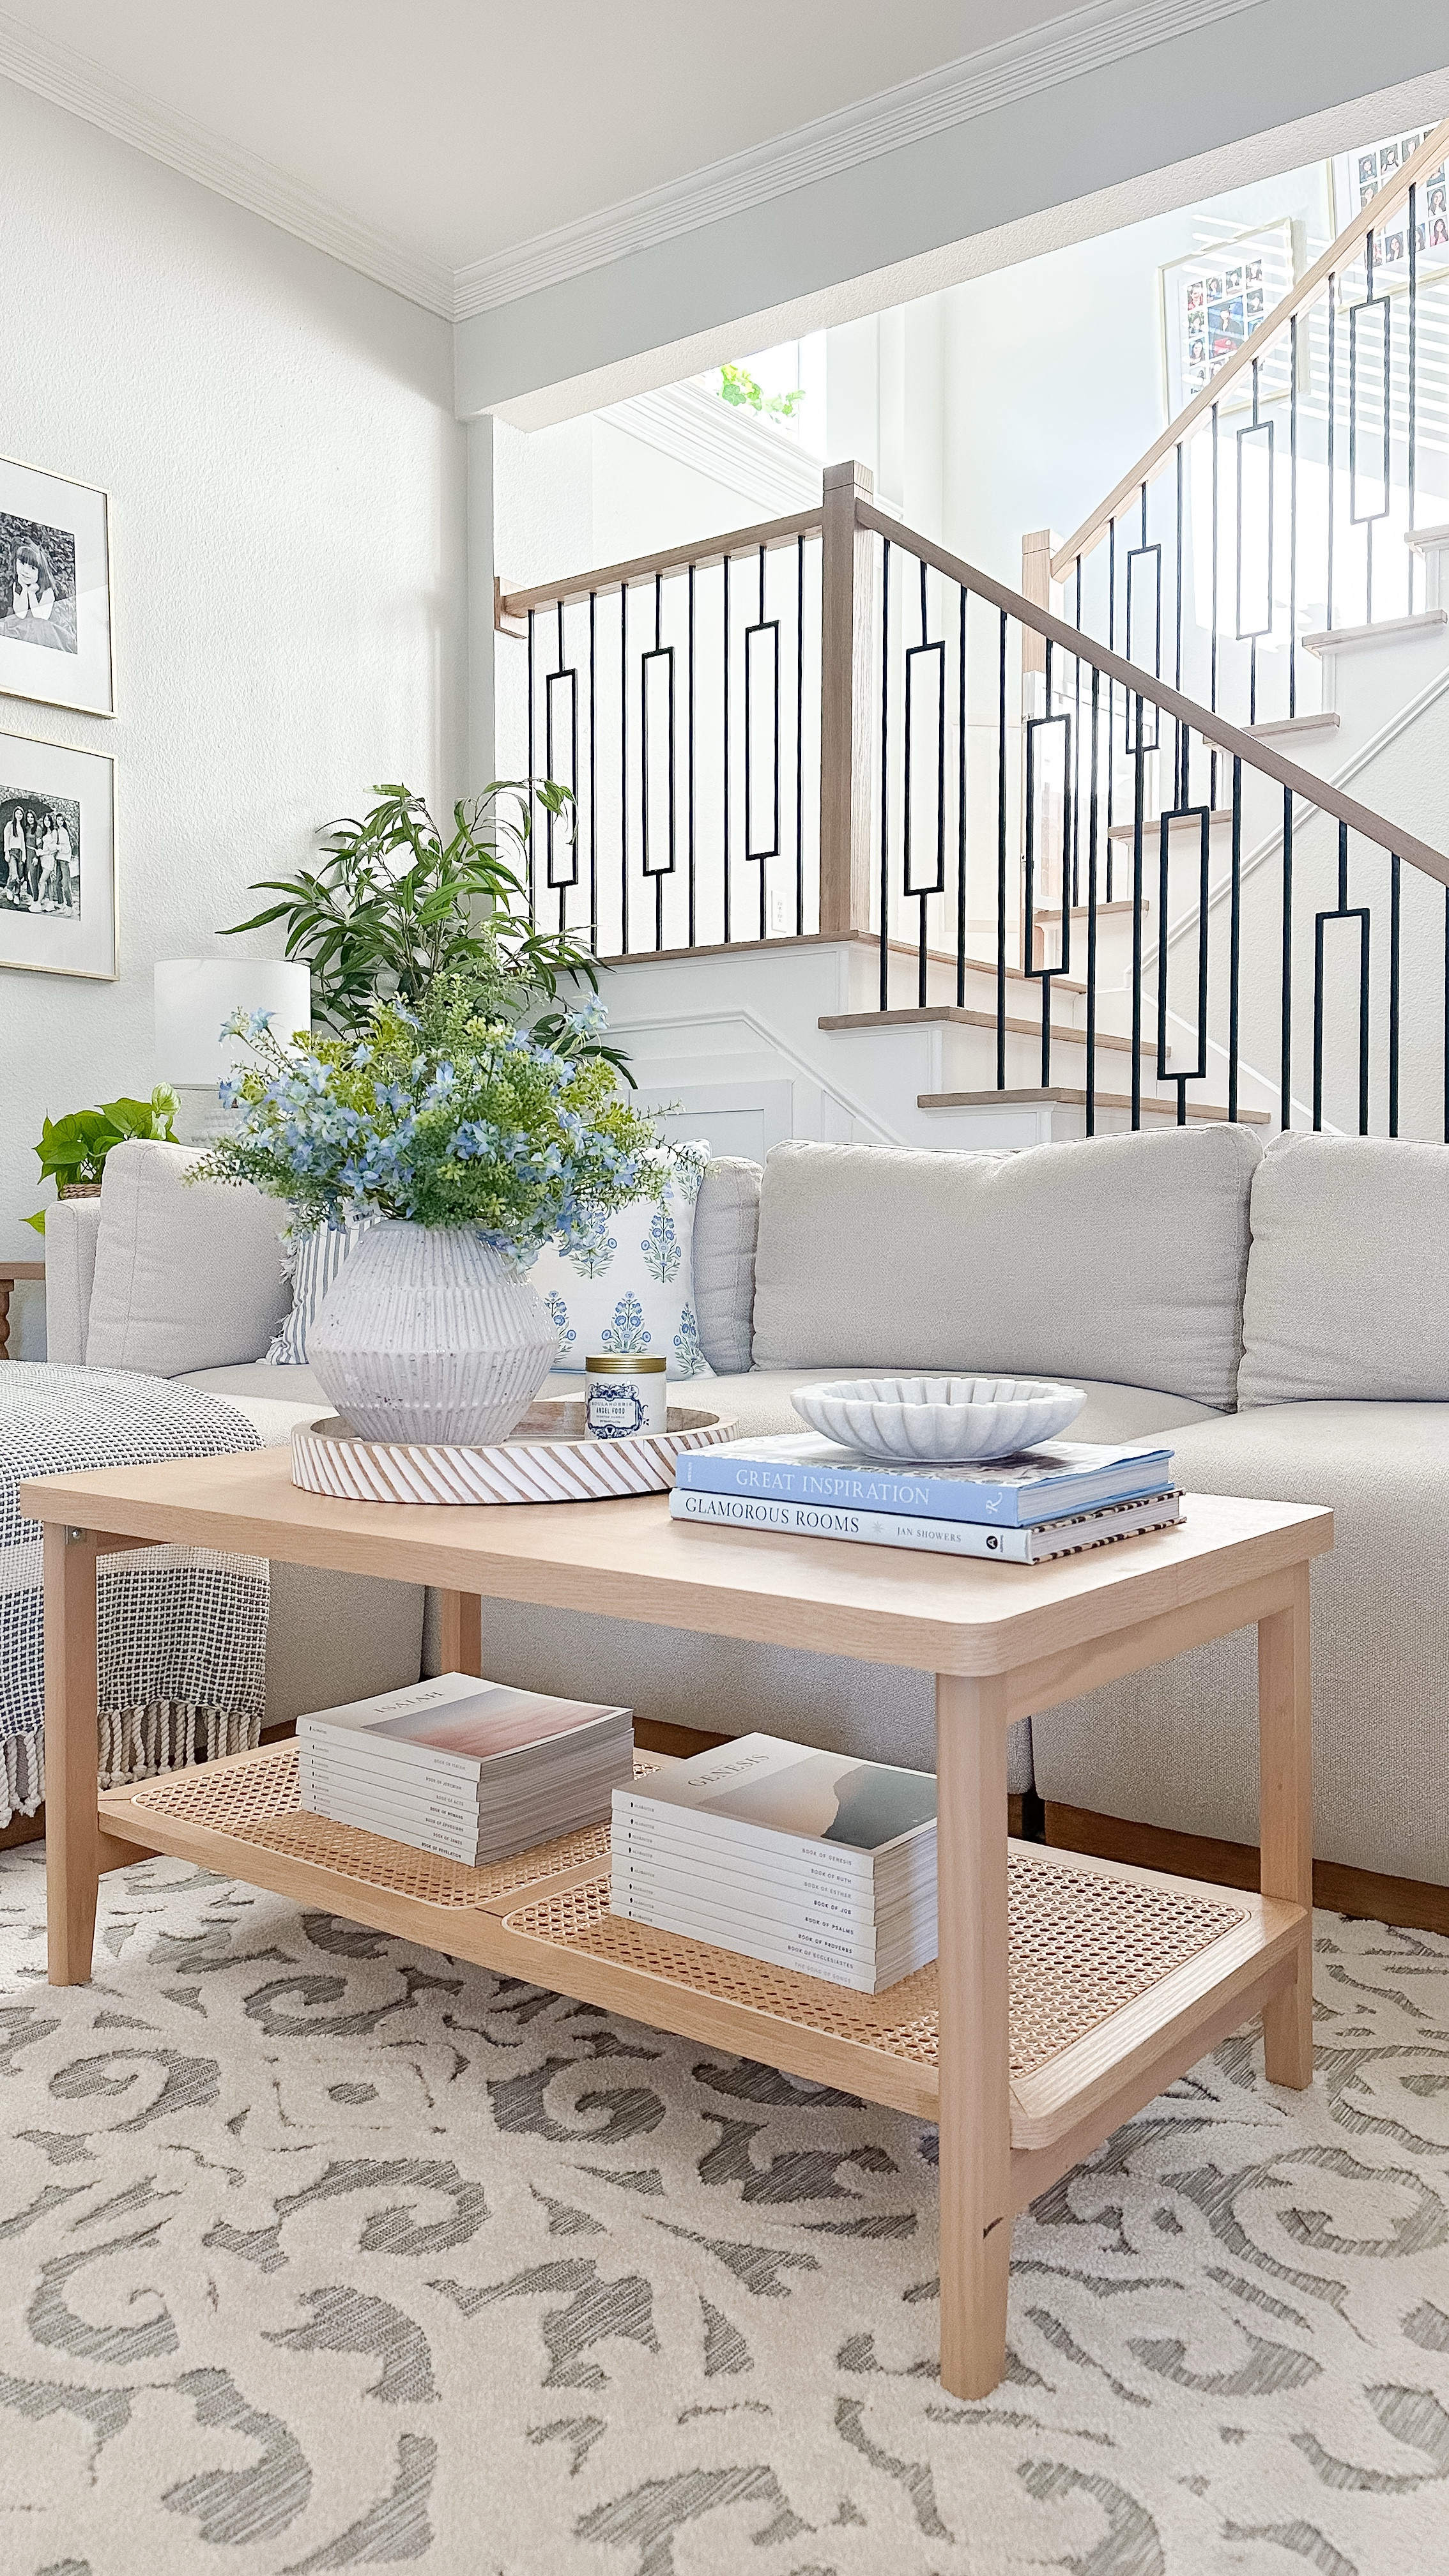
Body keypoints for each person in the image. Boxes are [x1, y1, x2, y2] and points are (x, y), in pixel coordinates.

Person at [0, 535, 66, 651]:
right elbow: (20, 614)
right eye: (21, 563)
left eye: (32, 568)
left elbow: (41, 617)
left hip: (43, 631)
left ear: (40, 572)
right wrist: (25, 589)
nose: (25, 571)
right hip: (21, 627)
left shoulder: (47, 591)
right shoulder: (18, 585)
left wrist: (32, 593)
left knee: (38, 632)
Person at [36, 811, 59, 910]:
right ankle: (51, 903)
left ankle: (38, 903)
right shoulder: (45, 832)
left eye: (48, 820)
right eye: (45, 820)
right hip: (43, 860)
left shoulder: (54, 832)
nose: (47, 822)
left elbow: (54, 849)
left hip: (49, 859)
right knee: (49, 881)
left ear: (51, 821)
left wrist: (42, 853)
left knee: (42, 881)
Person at [54, 810, 75, 912]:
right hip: (58, 860)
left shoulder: (64, 832)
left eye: (62, 820)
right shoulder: (57, 830)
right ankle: (61, 904)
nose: (60, 822)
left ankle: (70, 906)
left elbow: (67, 848)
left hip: (64, 861)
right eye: (58, 820)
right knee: (57, 884)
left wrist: (58, 847)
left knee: (66, 885)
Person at [1, 808, 24, 903]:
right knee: (14, 875)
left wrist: (24, 855)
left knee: (20, 874)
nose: (19, 816)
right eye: (17, 814)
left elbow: (23, 842)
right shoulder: (10, 825)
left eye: (21, 814)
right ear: (14, 814)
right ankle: (9, 889)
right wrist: (6, 852)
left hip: (21, 852)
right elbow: (6, 839)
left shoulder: (22, 827)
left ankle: (17, 894)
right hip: (12, 852)